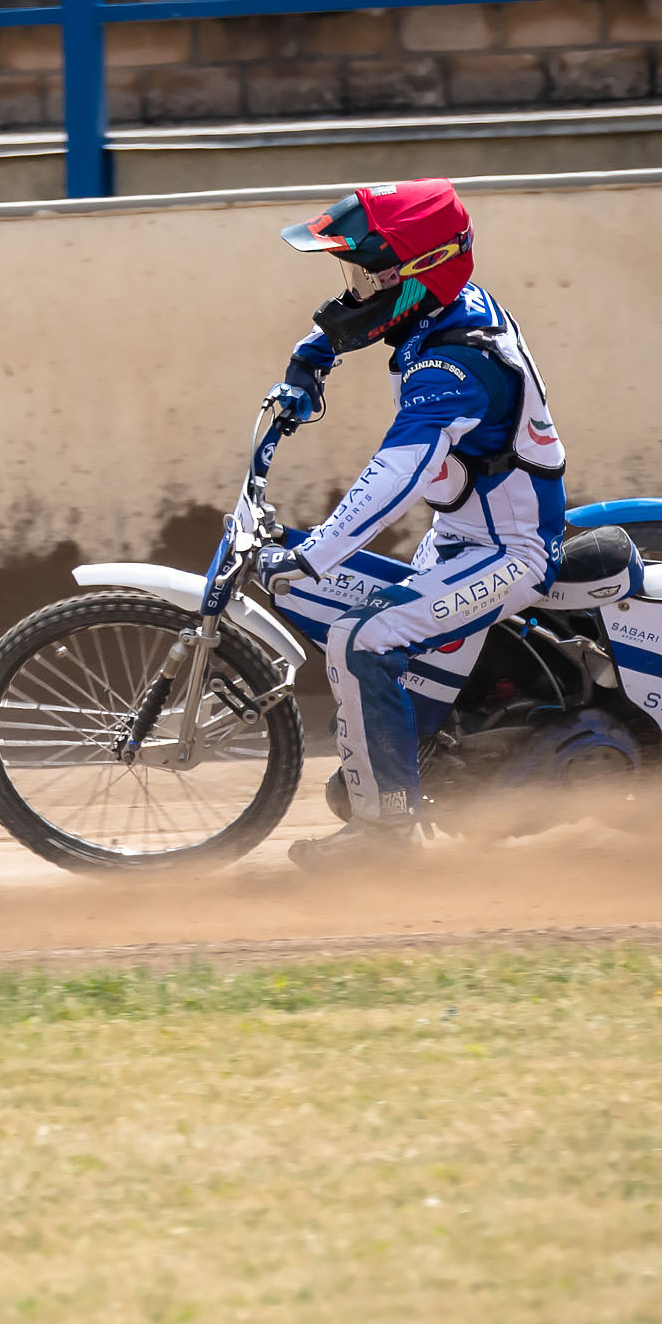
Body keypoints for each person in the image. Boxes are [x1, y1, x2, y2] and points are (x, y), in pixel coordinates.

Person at [253, 180, 569, 867]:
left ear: (416, 275)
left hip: (508, 554)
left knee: (361, 638)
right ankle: (415, 766)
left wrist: (316, 554)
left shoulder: (455, 364)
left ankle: (385, 837)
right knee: (349, 622)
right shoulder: (438, 312)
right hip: (459, 538)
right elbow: (354, 319)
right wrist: (309, 363)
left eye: (369, 274)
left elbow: (396, 473)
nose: (355, 289)